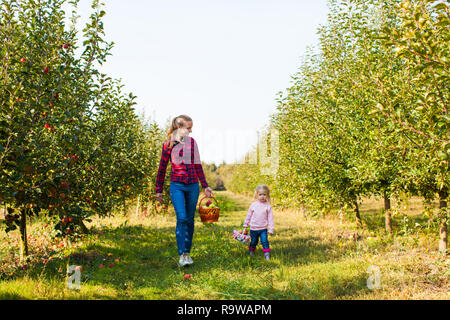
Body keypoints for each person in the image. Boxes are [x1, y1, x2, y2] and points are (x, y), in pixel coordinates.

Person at [155, 115, 213, 267]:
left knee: (189, 219)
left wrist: (205, 185)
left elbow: (198, 164)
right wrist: (158, 189)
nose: (191, 130)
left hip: (192, 185)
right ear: (179, 127)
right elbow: (162, 167)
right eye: (189, 127)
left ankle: (187, 253)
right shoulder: (168, 144)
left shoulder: (192, 143)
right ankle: (182, 254)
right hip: (177, 185)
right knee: (181, 218)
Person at [242, 184, 274, 260]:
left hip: (263, 229)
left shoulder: (268, 206)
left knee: (264, 241)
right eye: (260, 194)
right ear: (257, 195)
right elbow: (249, 215)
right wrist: (246, 224)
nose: (262, 196)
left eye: (264, 194)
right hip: (253, 228)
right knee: (253, 241)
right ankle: (251, 252)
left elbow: (270, 218)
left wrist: (271, 229)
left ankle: (267, 255)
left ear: (267, 195)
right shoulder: (254, 205)